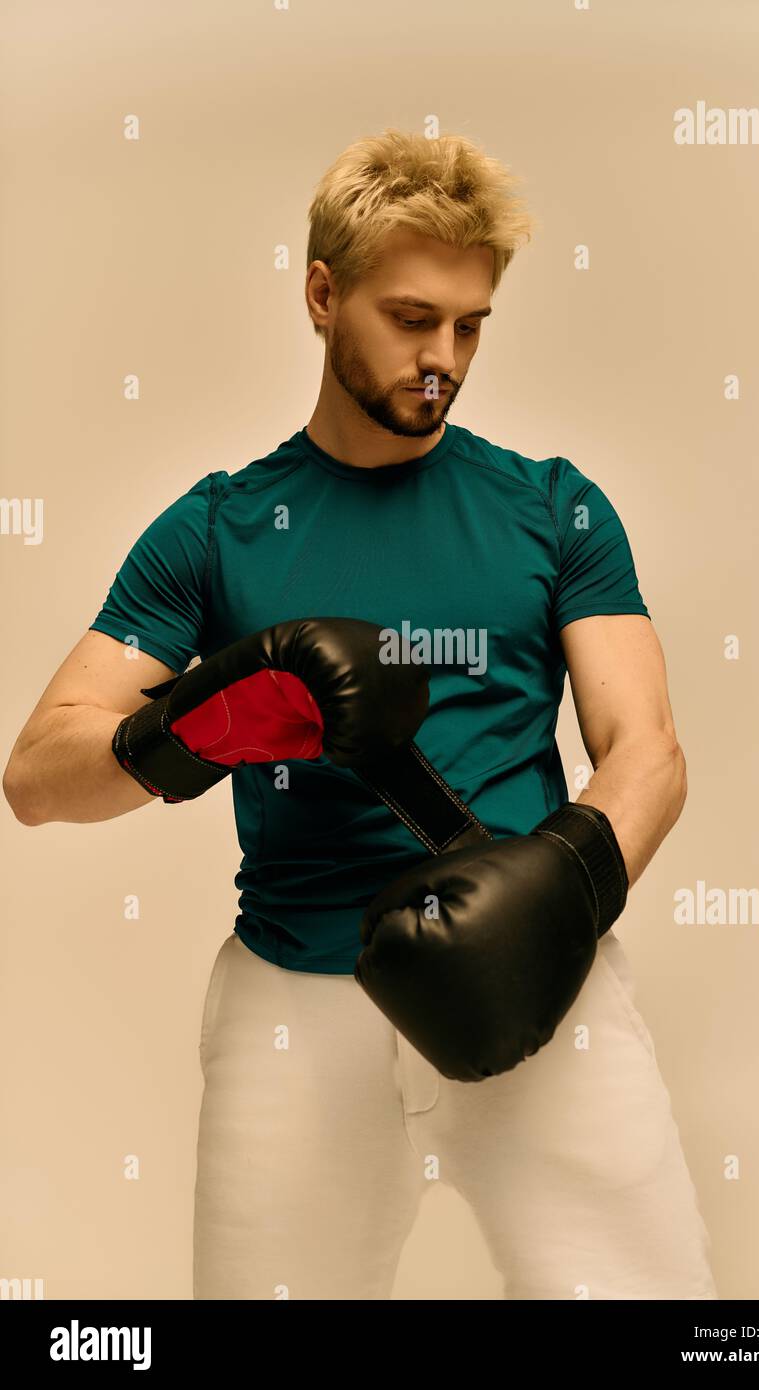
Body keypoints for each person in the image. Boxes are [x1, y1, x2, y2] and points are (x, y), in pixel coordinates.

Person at [3, 128, 718, 1301]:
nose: (442, 355)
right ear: (321, 295)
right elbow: (38, 774)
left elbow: (647, 751)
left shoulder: (553, 509)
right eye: (409, 317)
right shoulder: (218, 529)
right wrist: (210, 717)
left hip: (541, 983)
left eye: (470, 323)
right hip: (294, 1004)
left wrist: (566, 881)